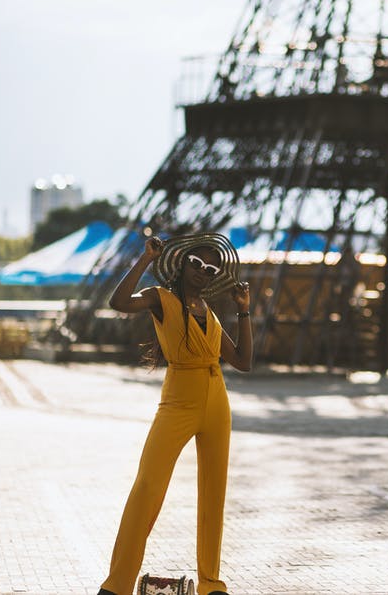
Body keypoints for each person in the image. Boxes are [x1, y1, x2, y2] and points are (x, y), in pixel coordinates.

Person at [98, 232, 252, 595]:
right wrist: (145, 259)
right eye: (197, 263)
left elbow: (243, 361)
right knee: (148, 485)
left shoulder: (210, 315)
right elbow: (118, 301)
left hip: (217, 401)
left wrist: (244, 308)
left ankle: (211, 584)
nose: (202, 271)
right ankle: (117, 584)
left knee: (214, 493)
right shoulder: (160, 299)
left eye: (210, 268)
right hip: (178, 400)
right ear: (182, 264)